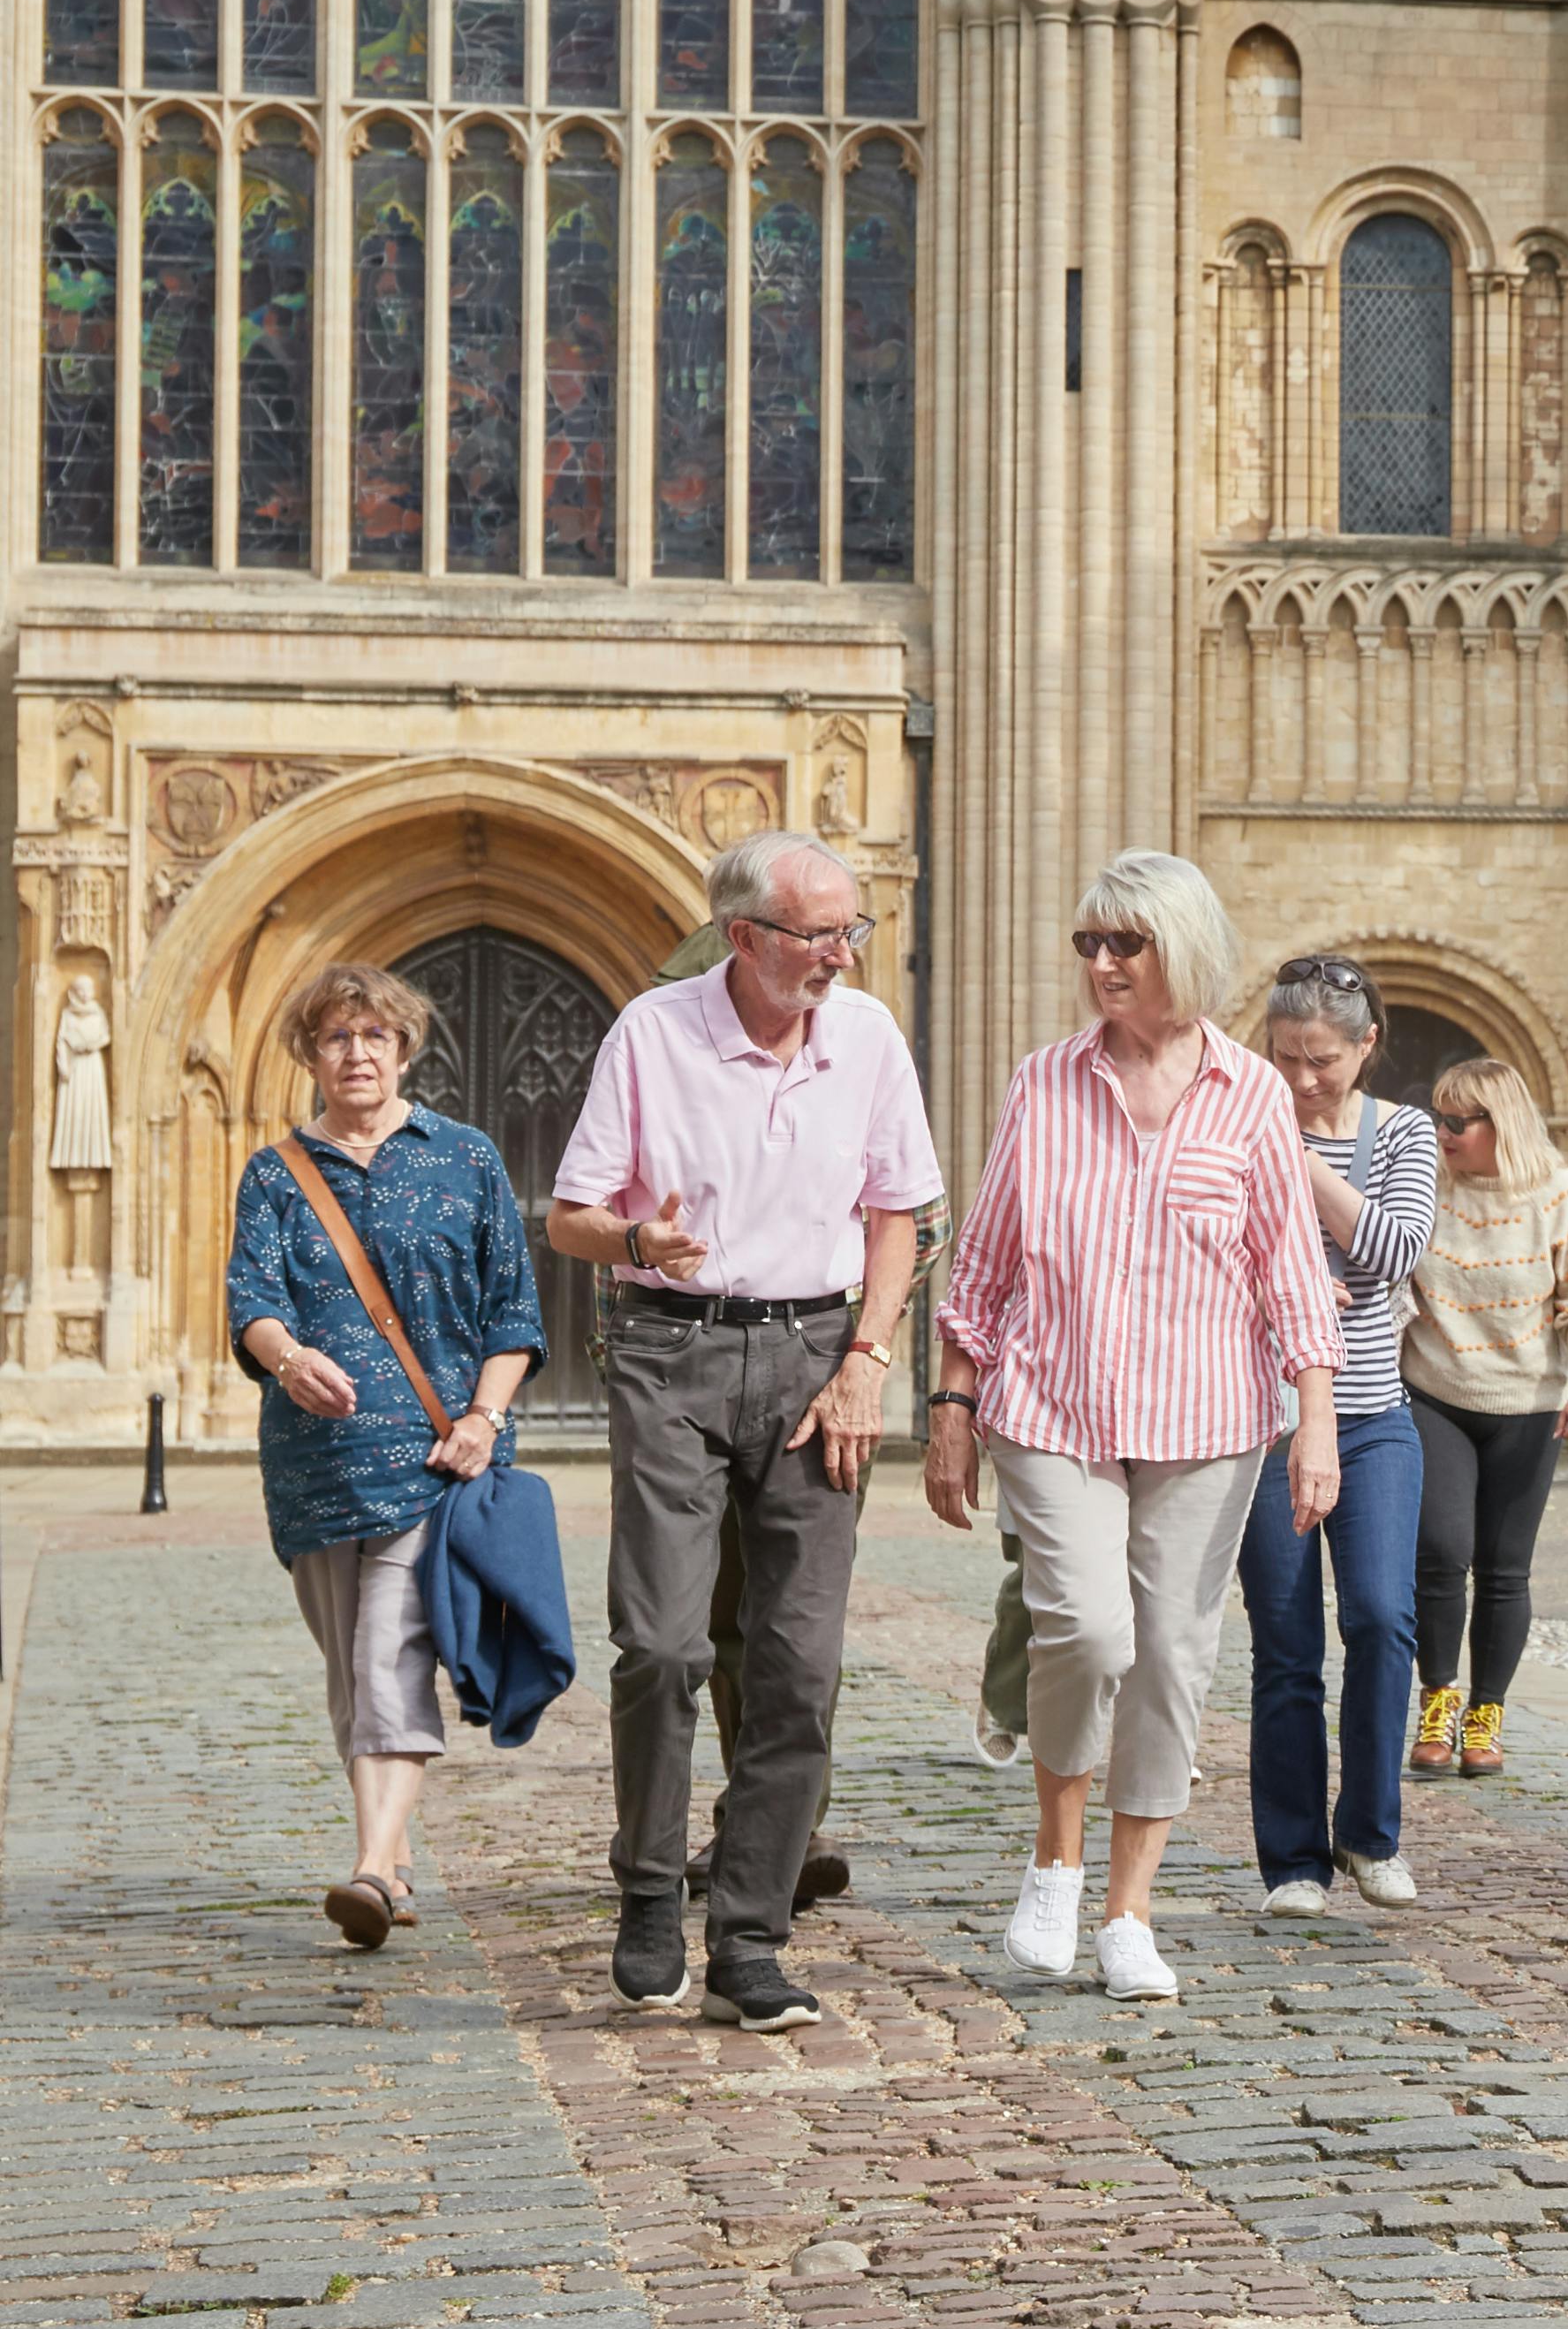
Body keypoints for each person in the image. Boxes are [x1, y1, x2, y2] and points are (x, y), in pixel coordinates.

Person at [926, 852, 1344, 2001]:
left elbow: (1289, 1273)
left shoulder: (1253, 1093)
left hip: (1209, 1420)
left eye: (1126, 944)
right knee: (1088, 1631)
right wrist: (953, 1403)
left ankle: (1127, 1913)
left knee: (1170, 1655)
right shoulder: (1042, 1082)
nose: (1102, 965)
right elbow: (987, 1259)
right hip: (1053, 1405)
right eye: (1088, 945)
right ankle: (1053, 1866)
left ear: (1182, 951)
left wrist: (1314, 1422)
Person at [549, 834, 936, 2032]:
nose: (837, 954)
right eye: (814, 933)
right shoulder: (653, 1033)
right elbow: (571, 1217)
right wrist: (633, 1245)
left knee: (798, 1665)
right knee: (663, 1645)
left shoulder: (868, 1036)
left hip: (820, 1360)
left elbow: (898, 1216)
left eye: (850, 931)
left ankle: (752, 1936)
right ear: (743, 936)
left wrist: (869, 1360)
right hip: (673, 1351)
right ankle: (652, 1892)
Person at [226, 963, 544, 1953]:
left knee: (387, 1652)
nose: (356, 1054)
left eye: (373, 1037)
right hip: (316, 1462)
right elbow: (252, 1300)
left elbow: (514, 1313)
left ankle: (367, 1870)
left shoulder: (465, 1157)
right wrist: (287, 1356)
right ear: (310, 1056)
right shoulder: (277, 1172)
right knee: (349, 1669)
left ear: (404, 1049)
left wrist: (484, 1420)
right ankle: (393, 1851)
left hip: (436, 1457)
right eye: (335, 1038)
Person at [1239, 955, 1439, 1919]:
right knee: (1284, 1647)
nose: (1302, 1078)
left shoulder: (1404, 1132)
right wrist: (1285, 1282)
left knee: (1379, 1618)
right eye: (1284, 1059)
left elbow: (1396, 1249)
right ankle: (1292, 1862)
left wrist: (1299, 1165)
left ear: (1365, 1046)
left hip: (1373, 1422)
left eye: (1321, 1059)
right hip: (1269, 1425)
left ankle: (1369, 1834)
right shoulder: (1239, 1124)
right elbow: (1212, 1254)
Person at [1405, 1055, 1568, 1782]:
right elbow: (1391, 1274)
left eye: (1458, 1120)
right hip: (1435, 1390)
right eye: (1439, 1116)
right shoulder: (1425, 1184)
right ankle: (1437, 1696)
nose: (1443, 1131)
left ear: (1503, 1123)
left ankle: (1486, 1713)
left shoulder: (1558, 1194)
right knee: (1440, 1547)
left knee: (1503, 1567)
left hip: (1528, 1404)